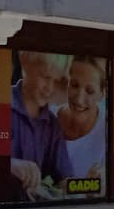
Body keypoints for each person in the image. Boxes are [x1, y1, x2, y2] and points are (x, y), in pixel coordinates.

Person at [9, 50, 74, 200]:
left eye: (56, 81)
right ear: (24, 60)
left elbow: (64, 179)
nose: (50, 88)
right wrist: (8, 165)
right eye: (46, 77)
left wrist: (88, 183)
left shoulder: (53, 126)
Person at [58, 55, 106, 184]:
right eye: (74, 85)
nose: (79, 100)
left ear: (102, 94)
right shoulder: (45, 117)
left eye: (90, 91)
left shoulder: (110, 131)